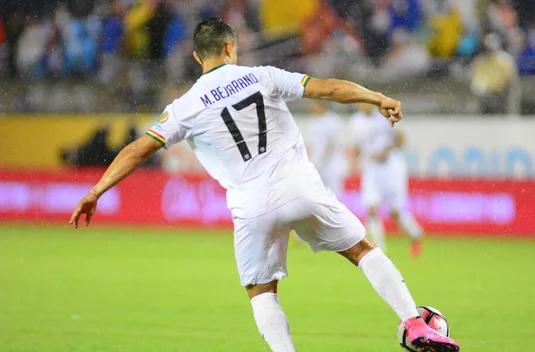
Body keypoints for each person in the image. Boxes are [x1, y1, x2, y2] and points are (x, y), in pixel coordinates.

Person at [69, 18, 460, 352]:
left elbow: (138, 149)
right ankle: (413, 322)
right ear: (230, 47)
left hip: (252, 205)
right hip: (301, 187)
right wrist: (376, 97)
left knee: (261, 292)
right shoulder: (262, 76)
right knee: (362, 250)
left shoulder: (184, 106)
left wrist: (95, 191)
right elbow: (326, 87)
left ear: (196, 57)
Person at [349, 103, 424, 257]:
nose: (361, 105)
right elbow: (359, 144)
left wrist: (386, 150)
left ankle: (415, 235)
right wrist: (354, 161)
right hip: (372, 167)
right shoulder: (355, 121)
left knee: (395, 212)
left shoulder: (385, 117)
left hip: (392, 166)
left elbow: (402, 139)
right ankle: (378, 249)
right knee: (370, 208)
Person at [305, 100, 347, 195]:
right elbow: (313, 146)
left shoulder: (333, 120)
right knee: (319, 194)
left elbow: (331, 146)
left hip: (332, 164)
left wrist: (321, 162)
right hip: (318, 166)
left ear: (320, 104)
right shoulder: (312, 122)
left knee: (334, 194)